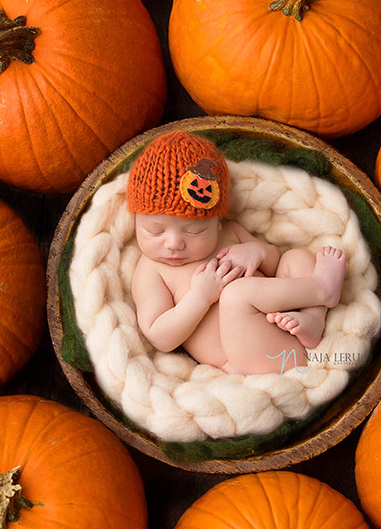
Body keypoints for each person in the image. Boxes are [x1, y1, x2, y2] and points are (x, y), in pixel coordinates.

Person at [128, 131, 346, 375]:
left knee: (296, 258)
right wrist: (201, 296)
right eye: (154, 231)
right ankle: (322, 289)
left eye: (194, 231)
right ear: (136, 222)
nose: (174, 243)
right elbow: (160, 337)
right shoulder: (151, 270)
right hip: (252, 358)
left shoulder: (230, 234)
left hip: (290, 327)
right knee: (236, 294)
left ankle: (314, 318)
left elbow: (275, 267)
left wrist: (258, 252)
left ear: (218, 222)